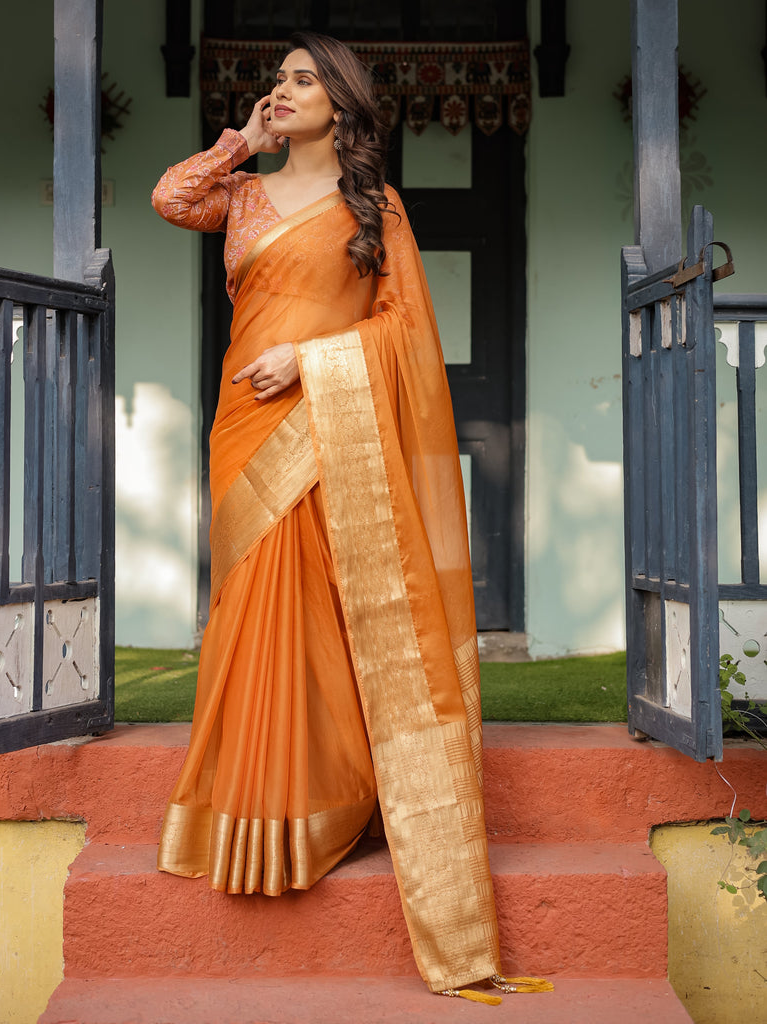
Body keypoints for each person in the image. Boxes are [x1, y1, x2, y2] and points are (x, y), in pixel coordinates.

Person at [151, 30, 550, 1004]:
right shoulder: (243, 193)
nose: (280, 91)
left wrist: (312, 361)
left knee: (321, 617)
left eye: (300, 80)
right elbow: (172, 198)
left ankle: (323, 806)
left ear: (343, 101)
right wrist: (239, 141)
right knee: (249, 609)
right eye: (275, 80)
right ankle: (245, 815)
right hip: (245, 431)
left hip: (322, 424)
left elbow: (405, 329)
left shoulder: (376, 209)